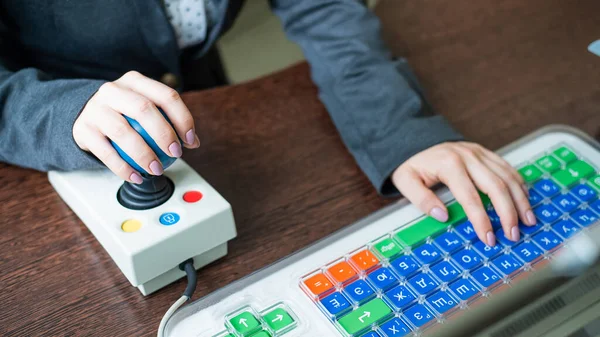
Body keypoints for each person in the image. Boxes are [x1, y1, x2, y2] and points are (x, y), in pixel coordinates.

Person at [0, 0, 534, 246]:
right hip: (49, 139)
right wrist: (61, 113)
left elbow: (324, 8)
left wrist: (399, 130)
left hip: (201, 105)